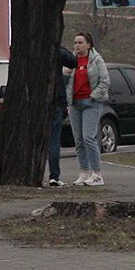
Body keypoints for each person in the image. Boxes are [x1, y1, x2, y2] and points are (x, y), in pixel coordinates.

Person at [67, 31, 111, 187]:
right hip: (75, 103)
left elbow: (105, 81)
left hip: (91, 102)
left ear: (88, 44)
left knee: (88, 137)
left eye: (80, 42)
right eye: (75, 43)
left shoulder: (96, 60)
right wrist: (66, 73)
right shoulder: (71, 60)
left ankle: (97, 174)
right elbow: (65, 81)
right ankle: (84, 171)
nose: (77, 46)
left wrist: (94, 96)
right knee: (78, 140)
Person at [45, 44, 76, 187]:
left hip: (36, 102)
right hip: (55, 101)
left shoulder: (30, 50)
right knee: (54, 140)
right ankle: (54, 176)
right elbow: (72, 61)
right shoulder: (56, 51)